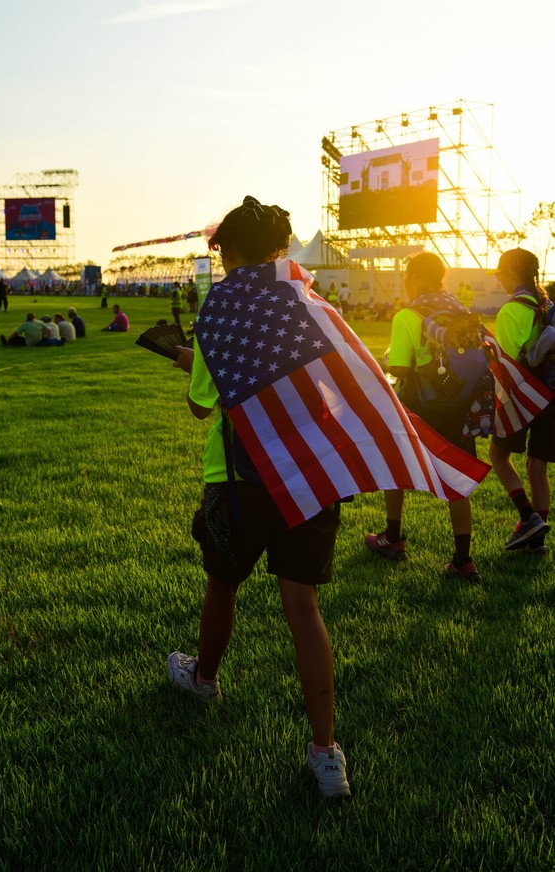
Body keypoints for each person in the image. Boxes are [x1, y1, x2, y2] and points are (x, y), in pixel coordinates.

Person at [169, 195, 350, 798]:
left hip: (241, 478)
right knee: (304, 609)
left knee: (223, 582)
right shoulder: (308, 300)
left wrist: (193, 362)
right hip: (311, 474)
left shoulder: (220, 307)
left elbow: (202, 405)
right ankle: (326, 752)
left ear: (231, 252)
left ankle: (205, 678)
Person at [364, 252, 482, 582]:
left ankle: (393, 537)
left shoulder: (409, 314)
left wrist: (386, 360)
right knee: (457, 481)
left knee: (395, 467)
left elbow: (400, 368)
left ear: (413, 278)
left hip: (419, 406)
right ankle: (463, 560)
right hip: (460, 405)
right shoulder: (461, 311)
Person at [487, 248, 552, 553]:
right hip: (552, 396)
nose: (499, 280)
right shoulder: (548, 305)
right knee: (537, 465)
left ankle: (528, 517)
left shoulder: (510, 310)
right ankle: (537, 540)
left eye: (500, 274)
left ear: (511, 274)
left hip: (525, 397)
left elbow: (509, 364)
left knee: (498, 455)